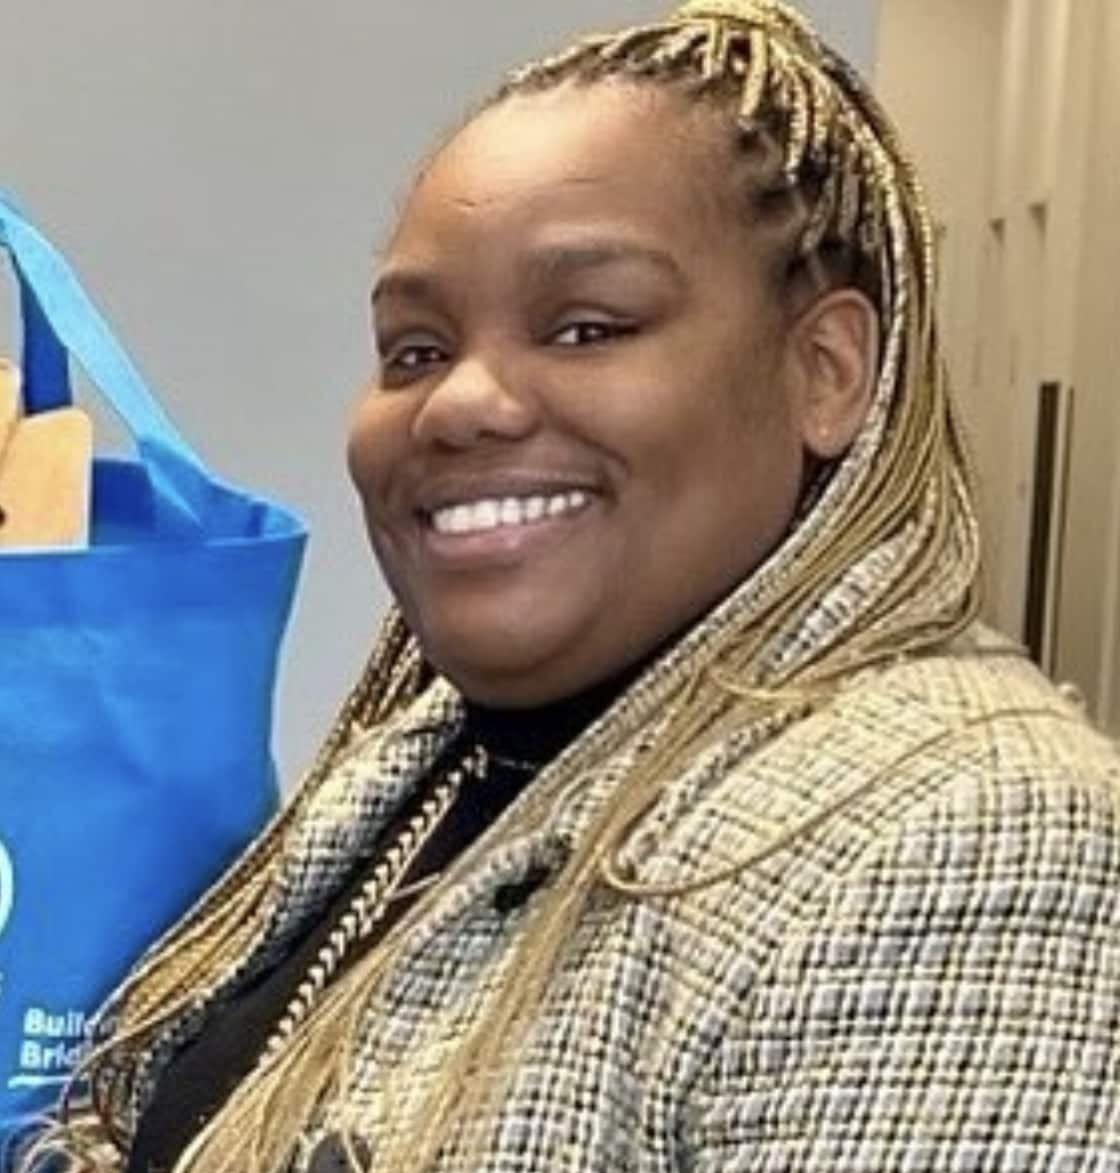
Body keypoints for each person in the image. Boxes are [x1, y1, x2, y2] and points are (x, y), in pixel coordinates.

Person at [28, 1, 1120, 1170]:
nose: (458, 403)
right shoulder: (443, 757)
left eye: (588, 327)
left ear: (825, 370)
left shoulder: (963, 837)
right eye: (416, 349)